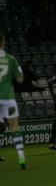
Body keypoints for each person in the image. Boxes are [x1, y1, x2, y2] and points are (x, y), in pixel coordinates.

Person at [0, 33, 27, 169]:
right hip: (8, 99)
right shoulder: (11, 59)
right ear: (3, 42)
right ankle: (21, 157)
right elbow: (20, 79)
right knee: (15, 127)